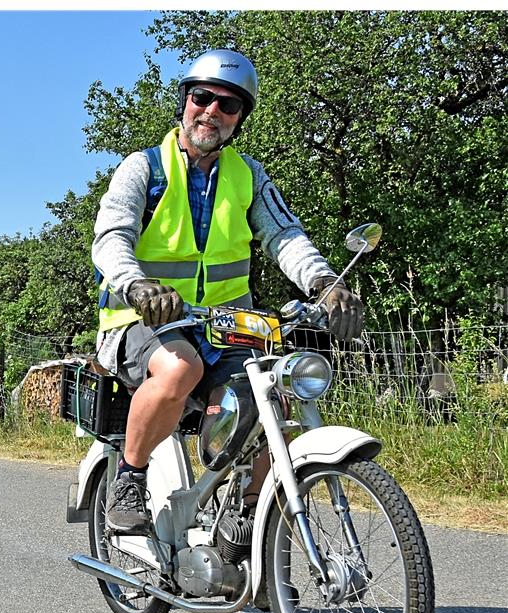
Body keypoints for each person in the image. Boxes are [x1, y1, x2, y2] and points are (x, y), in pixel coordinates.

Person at [91, 49, 364, 536]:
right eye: (203, 97)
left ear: (240, 119)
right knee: (180, 366)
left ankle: (248, 519)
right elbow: (111, 236)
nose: (212, 111)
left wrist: (325, 283)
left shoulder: (248, 176)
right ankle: (129, 480)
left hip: (225, 326)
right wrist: (137, 284)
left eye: (229, 104)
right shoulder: (144, 168)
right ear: (184, 102)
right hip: (140, 321)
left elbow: (285, 236)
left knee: (276, 388)